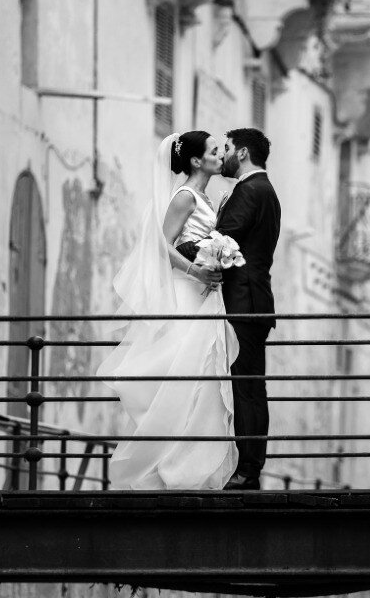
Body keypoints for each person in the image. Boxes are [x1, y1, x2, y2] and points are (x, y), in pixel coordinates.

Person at [97, 131, 239, 490]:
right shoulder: (185, 197)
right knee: (185, 374)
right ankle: (170, 467)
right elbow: (161, 245)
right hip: (189, 292)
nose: (221, 154)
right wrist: (197, 269)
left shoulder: (206, 196)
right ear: (195, 161)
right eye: (213, 151)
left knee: (201, 378)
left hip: (205, 293)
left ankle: (192, 467)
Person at [216, 127, 281, 491]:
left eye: (226, 148)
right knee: (250, 387)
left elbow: (225, 241)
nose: (223, 155)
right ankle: (248, 467)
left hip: (244, 302)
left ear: (241, 153)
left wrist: (188, 252)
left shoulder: (250, 189)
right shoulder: (265, 190)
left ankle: (248, 470)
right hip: (253, 299)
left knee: (247, 388)